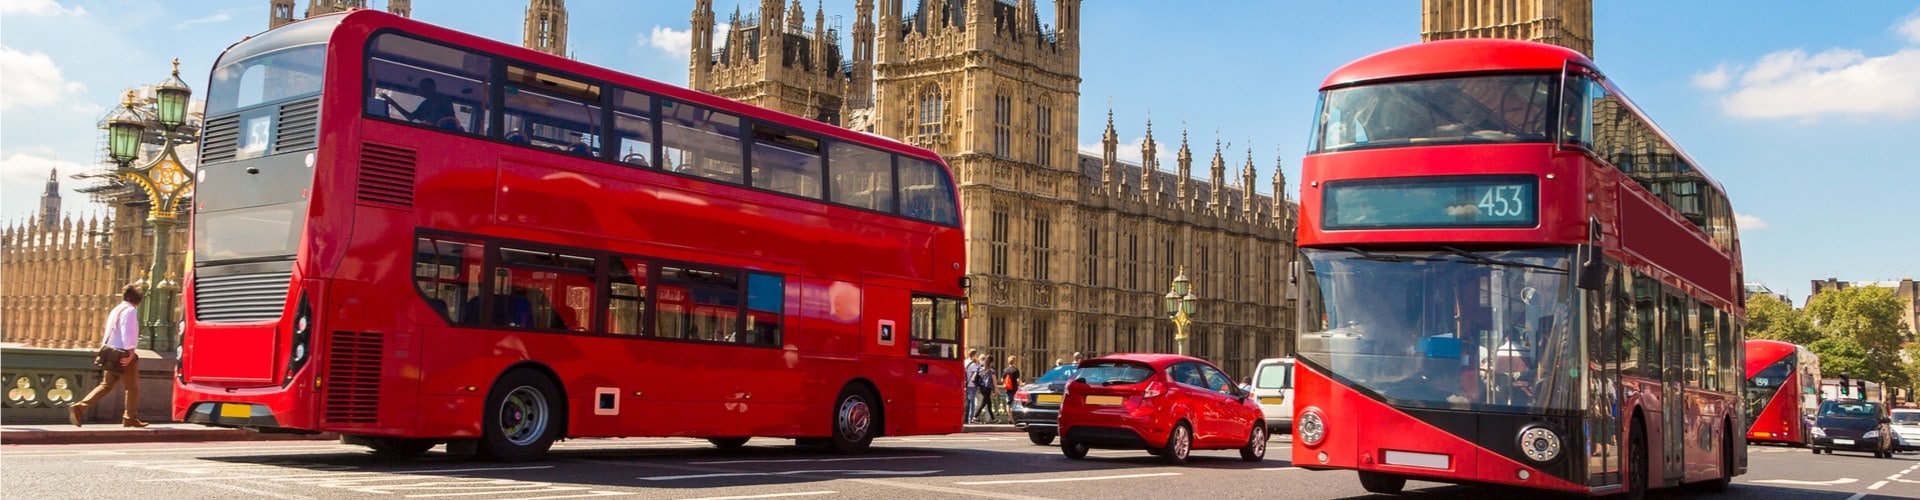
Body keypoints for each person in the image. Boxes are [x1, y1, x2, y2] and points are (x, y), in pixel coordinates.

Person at [71, 284, 148, 428]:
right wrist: (131, 351)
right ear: (139, 300)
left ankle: (80, 407)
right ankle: (129, 418)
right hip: (123, 355)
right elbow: (128, 331)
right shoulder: (130, 310)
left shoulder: (117, 309)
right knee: (133, 388)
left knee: (106, 385)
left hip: (111, 352)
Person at [379, 77, 457, 129]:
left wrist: (436, 125)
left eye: (425, 87)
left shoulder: (444, 100)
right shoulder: (425, 105)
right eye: (421, 88)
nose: (422, 90)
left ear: (433, 88)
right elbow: (411, 117)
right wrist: (392, 103)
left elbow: (451, 119)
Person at [963, 349, 982, 423]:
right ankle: (970, 418)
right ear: (974, 355)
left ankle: (965, 417)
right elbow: (976, 375)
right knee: (972, 402)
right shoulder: (973, 365)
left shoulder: (965, 362)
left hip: (965, 384)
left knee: (966, 402)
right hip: (972, 385)